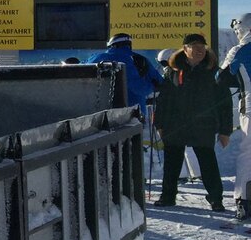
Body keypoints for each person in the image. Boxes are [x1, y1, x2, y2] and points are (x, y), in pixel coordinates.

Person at [153, 34, 233, 211]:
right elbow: (164, 100)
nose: (199, 50)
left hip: (203, 125)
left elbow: (225, 104)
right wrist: (159, 124)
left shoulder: (214, 72)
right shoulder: (173, 71)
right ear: (185, 49)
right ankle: (167, 197)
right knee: (172, 162)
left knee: (208, 162)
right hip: (175, 125)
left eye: (202, 47)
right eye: (195, 46)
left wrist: (225, 131)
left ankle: (216, 199)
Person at [85, 33, 162, 118]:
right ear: (129, 44)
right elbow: (148, 86)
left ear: (111, 45)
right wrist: (151, 86)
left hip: (99, 114)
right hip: (133, 114)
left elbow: (78, 69)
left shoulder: (96, 58)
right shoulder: (139, 59)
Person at [153, 47, 201, 183]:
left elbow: (166, 95)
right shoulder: (183, 70)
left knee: (175, 146)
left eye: (164, 63)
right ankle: (195, 172)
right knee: (187, 145)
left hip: (174, 116)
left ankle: (181, 174)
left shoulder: (172, 73)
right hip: (185, 114)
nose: (163, 66)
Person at [223, 13, 251, 219]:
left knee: (247, 154)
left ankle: (244, 201)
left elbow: (221, 77)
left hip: (250, 108)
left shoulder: (240, 50)